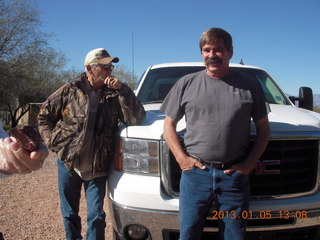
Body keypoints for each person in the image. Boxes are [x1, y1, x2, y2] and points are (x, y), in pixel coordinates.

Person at [160, 28, 270, 240]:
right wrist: (182, 159)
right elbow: (168, 126)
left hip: (234, 177)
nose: (212, 55)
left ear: (230, 52)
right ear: (201, 53)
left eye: (218, 50)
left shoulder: (250, 85)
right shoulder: (186, 83)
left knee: (234, 235)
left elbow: (264, 130)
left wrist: (248, 164)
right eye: (206, 50)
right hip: (195, 176)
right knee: (189, 233)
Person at [37, 48, 146, 240]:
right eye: (104, 66)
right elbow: (44, 116)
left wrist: (124, 90)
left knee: (96, 215)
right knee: (69, 213)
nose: (109, 70)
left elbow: (136, 119)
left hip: (97, 166)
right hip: (69, 163)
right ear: (89, 68)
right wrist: (51, 141)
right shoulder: (69, 91)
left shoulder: (114, 94)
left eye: (110, 66)